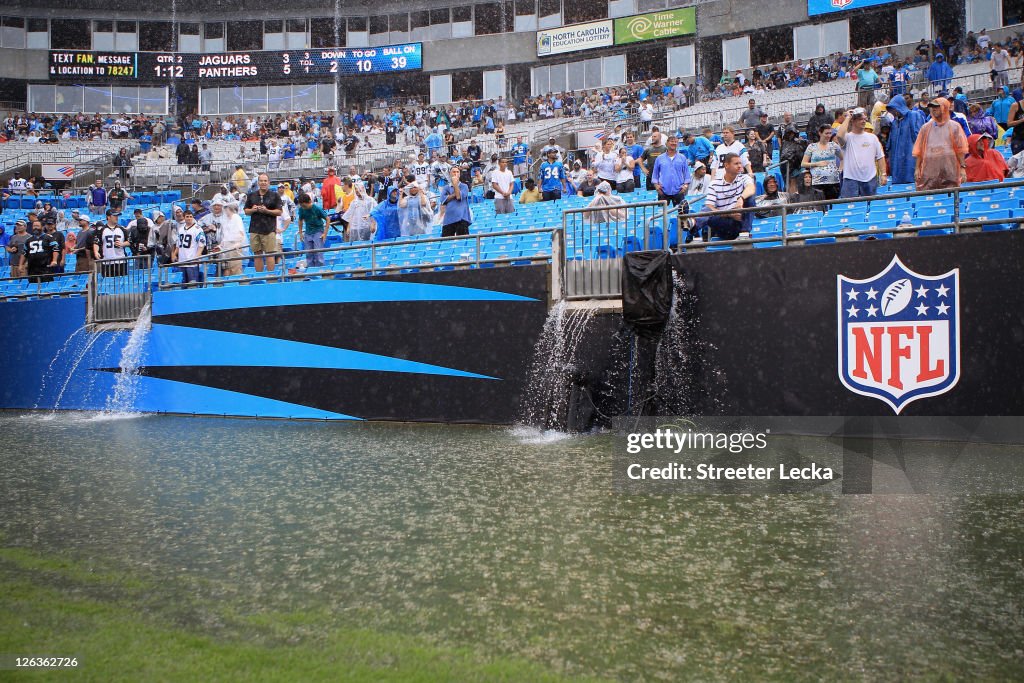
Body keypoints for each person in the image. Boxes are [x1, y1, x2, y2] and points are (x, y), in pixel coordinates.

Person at [694, 153, 755, 241]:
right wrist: (729, 214)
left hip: (740, 223)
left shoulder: (744, 178)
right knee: (707, 208)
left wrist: (741, 199)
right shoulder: (714, 184)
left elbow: (751, 188)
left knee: (750, 197)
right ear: (726, 165)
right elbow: (710, 207)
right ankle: (692, 225)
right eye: (736, 164)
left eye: (740, 163)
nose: (740, 166)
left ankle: (744, 233)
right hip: (723, 223)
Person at [913, 98, 969, 190]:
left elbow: (960, 149)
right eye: (932, 107)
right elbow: (919, 150)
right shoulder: (925, 128)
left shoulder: (954, 126)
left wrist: (963, 168)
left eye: (937, 107)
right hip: (930, 169)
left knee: (951, 194)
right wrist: (917, 168)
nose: (933, 109)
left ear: (945, 107)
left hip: (950, 168)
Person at [835, 107, 887, 198]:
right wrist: (847, 117)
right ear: (853, 121)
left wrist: (883, 174)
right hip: (851, 179)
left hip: (870, 178)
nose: (863, 121)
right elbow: (839, 135)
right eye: (860, 119)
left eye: (864, 119)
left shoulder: (872, 137)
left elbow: (880, 156)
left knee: (871, 205)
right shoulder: (848, 138)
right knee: (850, 207)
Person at [244, 173, 283, 273]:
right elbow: (246, 211)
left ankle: (270, 277)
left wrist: (267, 211)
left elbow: (279, 212)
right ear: (258, 182)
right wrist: (253, 210)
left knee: (270, 254)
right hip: (254, 229)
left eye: (265, 181)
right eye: (261, 181)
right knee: (257, 254)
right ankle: (259, 277)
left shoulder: (275, 195)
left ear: (269, 183)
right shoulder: (251, 195)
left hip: (269, 229)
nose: (263, 183)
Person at [885, 95, 927, 186]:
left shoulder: (914, 116)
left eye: (894, 108)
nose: (893, 112)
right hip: (897, 165)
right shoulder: (895, 123)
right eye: (891, 110)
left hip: (911, 160)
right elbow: (890, 144)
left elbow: (920, 139)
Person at [801, 125, 844, 200]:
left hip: (833, 182)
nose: (829, 136)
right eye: (826, 133)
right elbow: (803, 163)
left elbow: (842, 158)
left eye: (830, 133)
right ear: (820, 133)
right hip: (817, 182)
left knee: (832, 205)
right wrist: (816, 164)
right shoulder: (812, 147)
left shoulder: (834, 145)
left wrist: (840, 170)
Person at [651, 134, 692, 206]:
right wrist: (657, 187)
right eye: (671, 141)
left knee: (681, 214)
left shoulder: (682, 158)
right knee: (661, 215)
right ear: (667, 143)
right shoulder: (659, 158)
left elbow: (687, 174)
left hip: (679, 191)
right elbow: (655, 175)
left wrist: (685, 186)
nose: (673, 143)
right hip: (663, 192)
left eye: (675, 142)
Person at [172, 210, 207, 286]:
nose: (189, 218)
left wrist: (197, 256)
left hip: (192, 261)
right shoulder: (181, 229)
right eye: (187, 217)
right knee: (183, 284)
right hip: (182, 261)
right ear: (184, 218)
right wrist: (175, 254)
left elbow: (201, 244)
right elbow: (178, 244)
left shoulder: (197, 229)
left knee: (193, 284)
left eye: (191, 216)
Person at [297, 193, 330, 266]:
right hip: (308, 232)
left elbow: (327, 219)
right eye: (302, 206)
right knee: (308, 253)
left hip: (318, 231)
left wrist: (325, 233)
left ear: (309, 202)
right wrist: (300, 232)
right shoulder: (301, 209)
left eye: (305, 206)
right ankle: (311, 271)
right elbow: (300, 220)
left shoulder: (317, 209)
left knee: (318, 253)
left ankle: (319, 270)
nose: (304, 207)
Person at [438, 167, 473, 237]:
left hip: (462, 218)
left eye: (457, 172)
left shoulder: (464, 186)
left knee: (462, 242)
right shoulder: (446, 188)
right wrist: (455, 194)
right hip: (448, 219)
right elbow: (442, 200)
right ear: (450, 174)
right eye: (454, 172)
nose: (455, 174)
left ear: (459, 174)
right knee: (446, 243)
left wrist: (455, 185)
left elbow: (458, 197)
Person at [94, 209, 128, 277]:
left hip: (121, 260)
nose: (116, 217)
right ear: (108, 217)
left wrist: (123, 244)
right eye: (114, 216)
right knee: (108, 282)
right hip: (107, 261)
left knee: (121, 281)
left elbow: (130, 241)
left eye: (117, 216)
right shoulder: (101, 230)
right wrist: (96, 252)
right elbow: (96, 242)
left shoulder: (122, 229)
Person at [216, 204, 247, 276]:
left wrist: (238, 244)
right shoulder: (226, 220)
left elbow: (241, 233)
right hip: (226, 246)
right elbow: (225, 236)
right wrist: (221, 245)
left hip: (235, 246)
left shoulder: (236, 218)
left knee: (235, 268)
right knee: (227, 267)